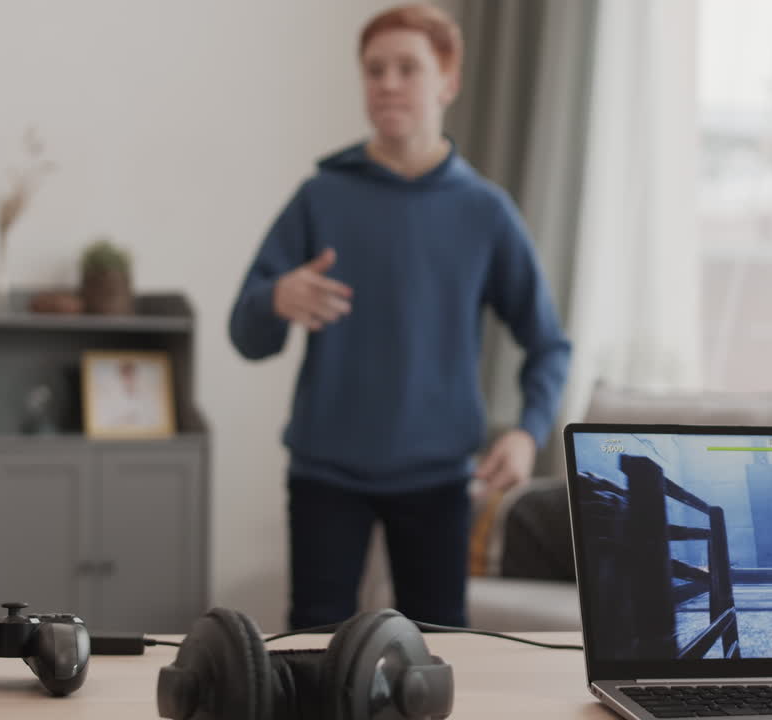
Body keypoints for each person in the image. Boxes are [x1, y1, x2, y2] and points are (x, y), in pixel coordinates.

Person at [228, 2, 571, 631]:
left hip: (439, 478)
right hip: (325, 472)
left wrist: (527, 431)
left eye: (406, 68)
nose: (386, 83)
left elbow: (548, 344)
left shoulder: (485, 212)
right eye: (373, 69)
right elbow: (245, 332)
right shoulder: (320, 197)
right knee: (313, 647)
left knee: (436, 654)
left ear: (448, 81)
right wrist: (276, 300)